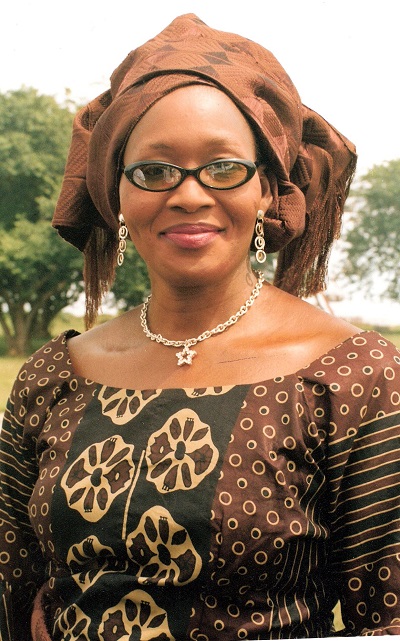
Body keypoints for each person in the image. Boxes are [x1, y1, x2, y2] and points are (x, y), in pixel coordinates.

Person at [1, 13, 399, 641]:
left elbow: (390, 621)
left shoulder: (353, 377)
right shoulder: (55, 375)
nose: (189, 195)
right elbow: (12, 591)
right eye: (154, 171)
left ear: (267, 189)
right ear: (117, 195)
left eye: (223, 167)